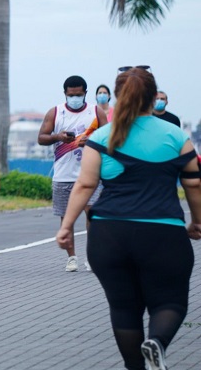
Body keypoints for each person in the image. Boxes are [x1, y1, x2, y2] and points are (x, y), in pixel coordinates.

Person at [55, 66, 201, 370]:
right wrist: (197, 222)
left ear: (118, 97)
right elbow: (194, 183)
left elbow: (84, 185)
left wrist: (66, 226)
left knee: (124, 307)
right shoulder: (175, 135)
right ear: (153, 97)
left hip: (109, 235)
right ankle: (157, 342)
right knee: (170, 302)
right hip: (164, 233)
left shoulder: (102, 136)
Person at [38, 75, 108, 272]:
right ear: (65, 94)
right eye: (71, 95)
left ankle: (91, 256)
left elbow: (111, 138)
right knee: (66, 218)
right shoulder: (55, 112)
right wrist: (58, 137)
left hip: (90, 174)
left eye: (79, 94)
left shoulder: (96, 112)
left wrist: (93, 142)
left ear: (85, 93)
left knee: (92, 214)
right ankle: (72, 258)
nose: (75, 98)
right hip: (63, 175)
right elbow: (41, 138)